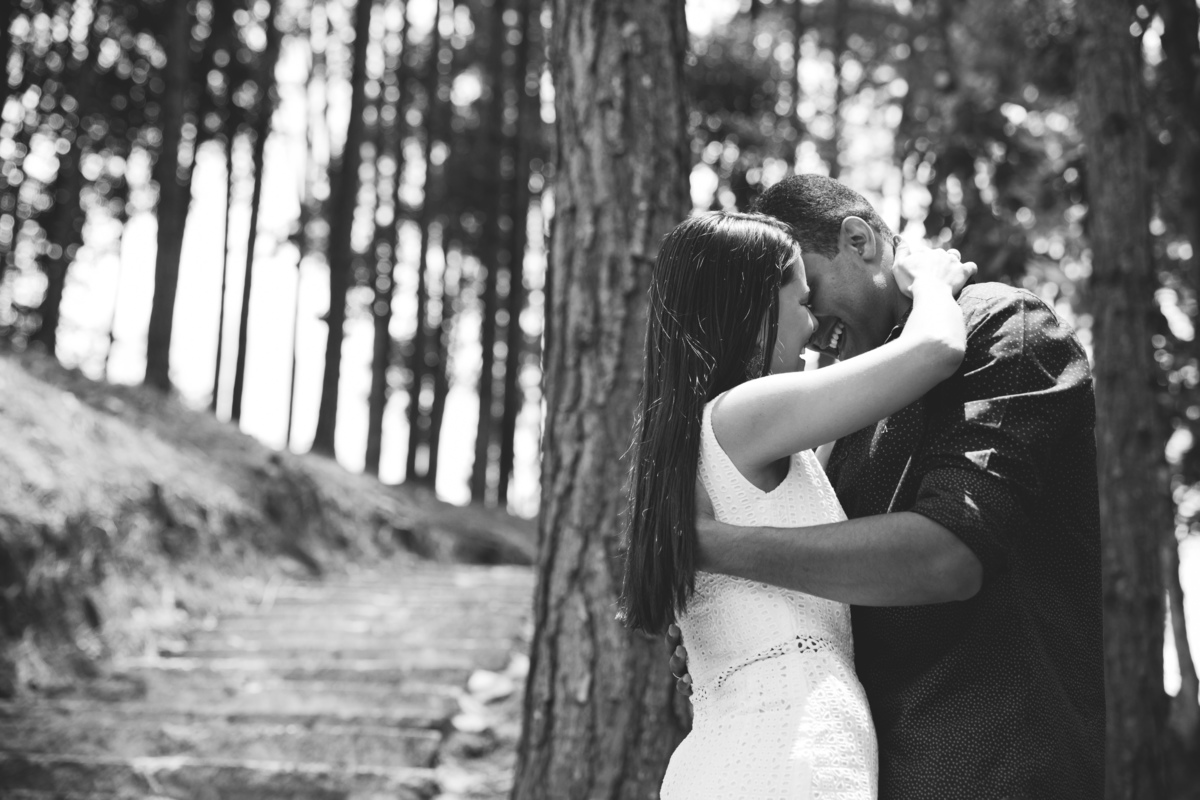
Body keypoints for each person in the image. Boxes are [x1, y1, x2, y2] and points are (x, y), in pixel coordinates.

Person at [670, 175, 1105, 800]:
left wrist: (712, 549)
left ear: (859, 240)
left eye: (809, 292)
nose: (811, 326)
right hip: (866, 771)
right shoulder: (837, 416)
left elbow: (946, 558)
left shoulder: (1000, 327)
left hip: (999, 765)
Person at [619, 209, 975, 799]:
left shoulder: (700, 438)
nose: (814, 327)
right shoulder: (745, 415)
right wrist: (932, 281)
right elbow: (936, 348)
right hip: (785, 757)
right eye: (803, 302)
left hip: (736, 756)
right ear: (757, 307)